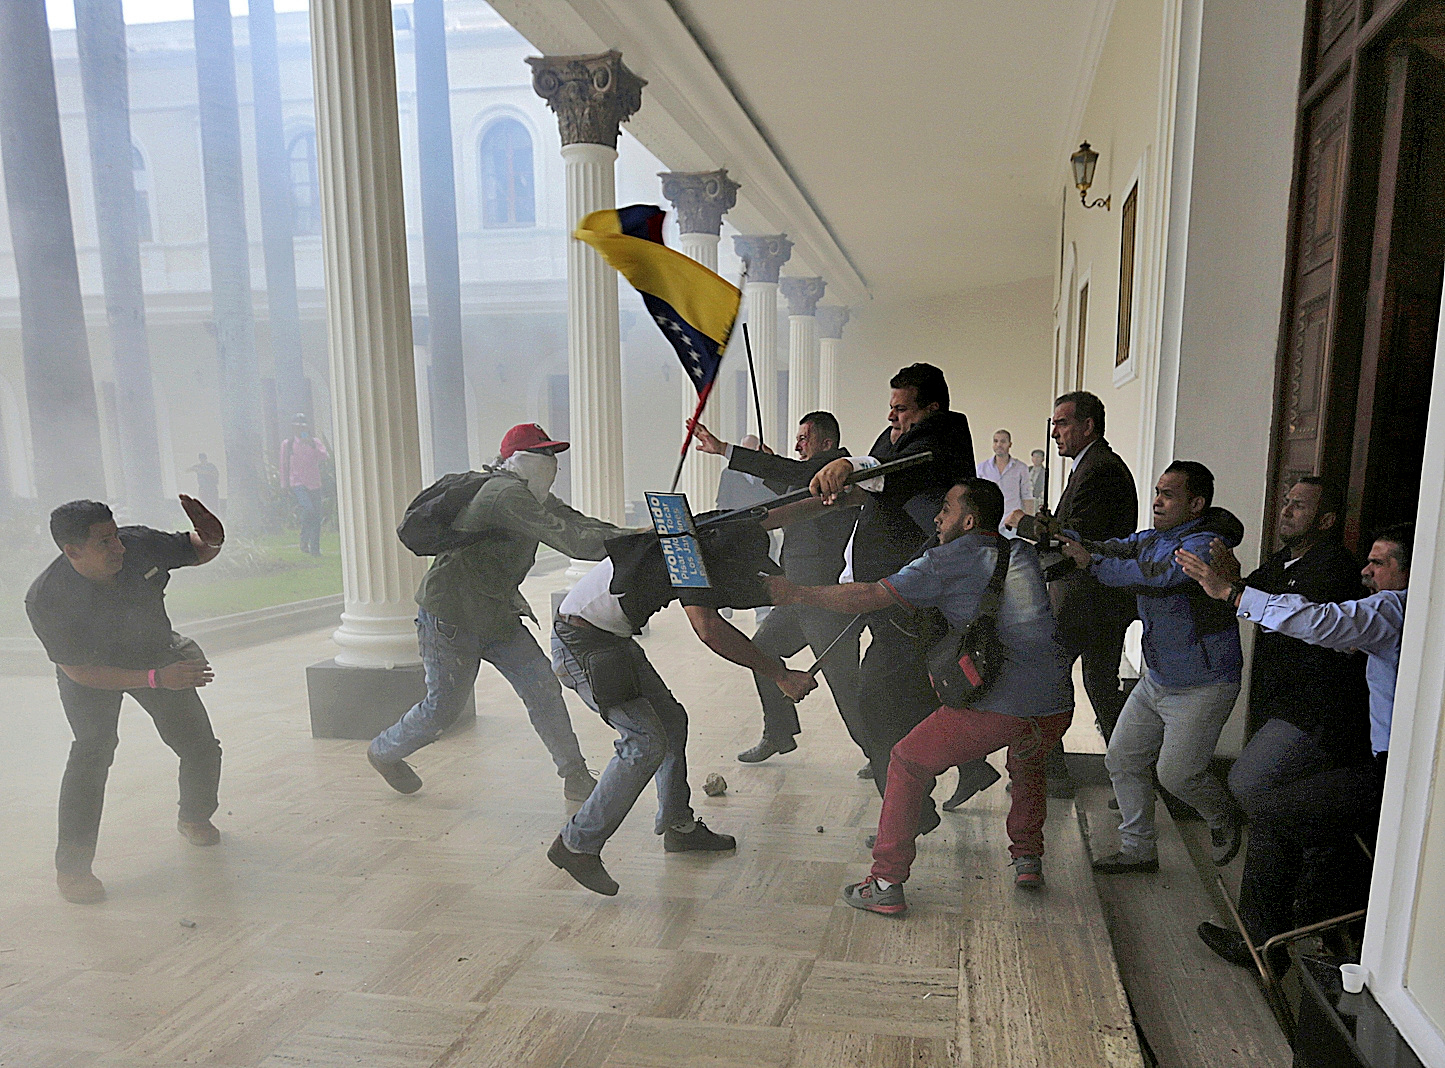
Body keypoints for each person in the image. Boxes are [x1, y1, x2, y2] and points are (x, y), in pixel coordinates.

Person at [769, 479, 1073, 913]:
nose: (937, 517)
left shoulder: (945, 560)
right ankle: (1027, 857)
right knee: (1027, 761)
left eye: (946, 509)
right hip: (1057, 701)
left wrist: (797, 593)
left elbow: (870, 594)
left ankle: (886, 882)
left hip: (1002, 703)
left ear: (968, 520)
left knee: (908, 761)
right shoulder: (1019, 551)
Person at [548, 516, 818, 895]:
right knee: (644, 742)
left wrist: (826, 495)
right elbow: (709, 628)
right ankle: (577, 844)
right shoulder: (690, 561)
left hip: (609, 639)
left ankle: (678, 827)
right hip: (583, 644)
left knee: (671, 721)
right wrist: (780, 674)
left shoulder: (696, 533)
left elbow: (771, 512)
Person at [1178, 520, 1411, 960]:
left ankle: (1263, 946)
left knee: (1273, 814)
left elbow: (1320, 620)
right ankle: (1318, 922)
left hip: (1395, 774)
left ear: (1409, 572)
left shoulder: (1395, 609)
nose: (1366, 570)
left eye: (1379, 563)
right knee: (1311, 817)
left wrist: (1232, 594)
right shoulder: (1402, 616)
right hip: (1388, 765)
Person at [367, 423, 625, 803]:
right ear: (521, 459)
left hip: (496, 614)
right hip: (450, 617)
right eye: (545, 454)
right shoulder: (505, 495)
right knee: (442, 710)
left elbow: (578, 523)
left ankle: (574, 774)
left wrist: (636, 536)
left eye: (555, 455)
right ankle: (384, 752)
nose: (552, 464)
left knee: (542, 688)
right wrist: (638, 542)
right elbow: (570, 539)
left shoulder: (529, 494)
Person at [808, 363, 993, 817]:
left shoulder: (941, 436)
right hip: (896, 600)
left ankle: (911, 812)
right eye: (890, 408)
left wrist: (850, 465)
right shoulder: (900, 438)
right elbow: (873, 478)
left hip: (906, 603)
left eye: (902, 408)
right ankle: (963, 771)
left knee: (873, 705)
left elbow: (885, 470)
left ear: (931, 409)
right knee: (916, 699)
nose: (892, 417)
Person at [26, 496, 227, 904]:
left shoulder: (138, 545)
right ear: (73, 552)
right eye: (105, 542)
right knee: (92, 752)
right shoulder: (47, 597)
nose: (119, 547)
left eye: (116, 536)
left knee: (199, 744)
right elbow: (79, 672)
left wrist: (213, 537)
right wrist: (157, 679)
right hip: (91, 671)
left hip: (153, 650)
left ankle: (194, 815)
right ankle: (74, 867)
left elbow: (198, 549)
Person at [1065, 461, 1246, 874]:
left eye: (1169, 494)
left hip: (1205, 683)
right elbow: (1114, 547)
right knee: (1122, 759)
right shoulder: (1154, 538)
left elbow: (1153, 577)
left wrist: (1088, 563)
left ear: (1196, 503)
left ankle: (1223, 817)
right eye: (1157, 491)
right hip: (1158, 679)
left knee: (1177, 775)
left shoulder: (1203, 545)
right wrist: (1063, 537)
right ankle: (1139, 850)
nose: (1157, 500)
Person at [691, 411, 863, 763]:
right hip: (797, 597)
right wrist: (768, 464)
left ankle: (889, 757)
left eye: (804, 438)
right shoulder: (812, 477)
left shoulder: (837, 472)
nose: (797, 445)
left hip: (827, 601)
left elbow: (794, 477)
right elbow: (788, 485)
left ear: (827, 444)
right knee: (762, 653)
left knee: (847, 688)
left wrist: (726, 449)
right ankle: (779, 733)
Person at [1007, 391, 1137, 795]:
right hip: (1093, 598)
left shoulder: (1101, 470)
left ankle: (1053, 771)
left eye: (1062, 423)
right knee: (1098, 684)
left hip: (1090, 599)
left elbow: (1073, 537)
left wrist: (1022, 523)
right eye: (1054, 423)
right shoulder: (1091, 466)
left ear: (1088, 426)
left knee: (1049, 675)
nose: (1054, 432)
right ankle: (1129, 775)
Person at [280, 414, 329, 556]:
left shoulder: (314, 442)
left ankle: (314, 548)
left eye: (303, 426)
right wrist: (284, 484)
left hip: (314, 483)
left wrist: (311, 444)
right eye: (297, 427)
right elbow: (283, 464)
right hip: (297, 483)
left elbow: (324, 456)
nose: (300, 429)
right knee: (309, 509)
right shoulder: (287, 444)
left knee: (316, 516)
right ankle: (304, 538)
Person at [975, 429, 1032, 536]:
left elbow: (1027, 497)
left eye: (1003, 441)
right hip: (989, 522)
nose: (999, 445)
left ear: (1010, 444)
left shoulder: (1021, 468)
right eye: (995, 441)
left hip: (1012, 524)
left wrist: (1028, 527)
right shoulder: (982, 468)